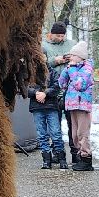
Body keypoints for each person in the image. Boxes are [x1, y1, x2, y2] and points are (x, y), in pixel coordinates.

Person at [41, 21, 77, 166]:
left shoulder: (72, 44)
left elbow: (81, 59)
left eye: (63, 36)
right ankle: (57, 152)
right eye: (58, 36)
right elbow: (41, 64)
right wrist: (55, 60)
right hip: (53, 91)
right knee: (54, 127)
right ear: (51, 34)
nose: (61, 38)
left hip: (70, 90)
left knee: (72, 125)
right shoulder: (44, 46)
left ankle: (75, 153)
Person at [27, 36, 65, 170]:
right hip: (37, 107)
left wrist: (45, 93)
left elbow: (57, 86)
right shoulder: (30, 74)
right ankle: (46, 160)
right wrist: (36, 93)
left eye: (42, 57)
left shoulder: (53, 72)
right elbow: (26, 87)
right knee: (42, 134)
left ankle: (61, 158)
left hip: (51, 107)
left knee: (55, 132)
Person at [57, 41, 95, 171]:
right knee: (74, 134)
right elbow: (62, 83)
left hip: (82, 105)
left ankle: (86, 159)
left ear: (80, 56)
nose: (71, 57)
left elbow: (80, 85)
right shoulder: (71, 68)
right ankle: (79, 156)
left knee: (82, 133)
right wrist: (67, 69)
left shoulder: (87, 68)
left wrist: (72, 69)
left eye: (73, 55)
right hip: (71, 105)